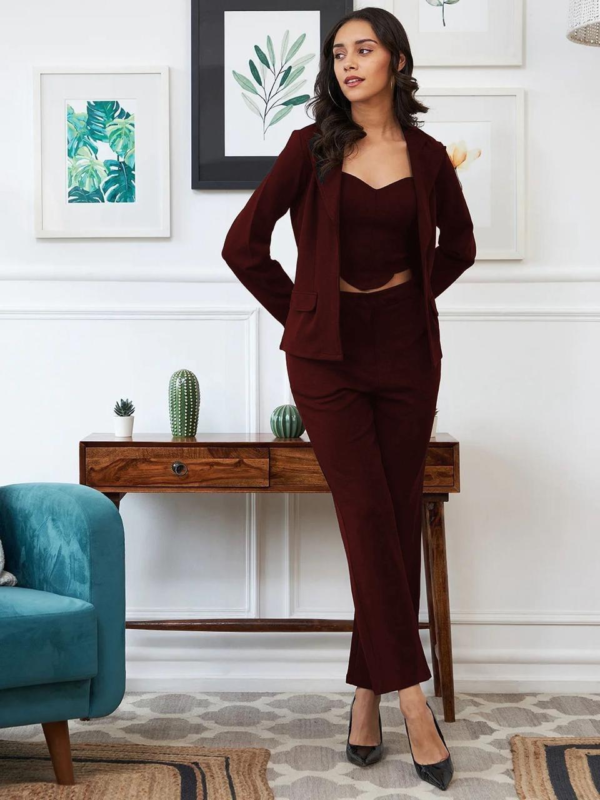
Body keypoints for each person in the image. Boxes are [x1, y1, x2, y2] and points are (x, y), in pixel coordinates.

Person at [221, 7, 476, 792]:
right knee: (365, 514)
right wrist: (307, 311)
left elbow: (458, 247)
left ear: (397, 62)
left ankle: (364, 695)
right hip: (326, 359)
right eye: (338, 53)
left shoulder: (429, 157)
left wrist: (407, 300)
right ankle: (412, 700)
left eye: (364, 49)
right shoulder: (311, 150)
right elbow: (243, 244)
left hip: (404, 353)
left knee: (394, 520)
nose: (348, 63)